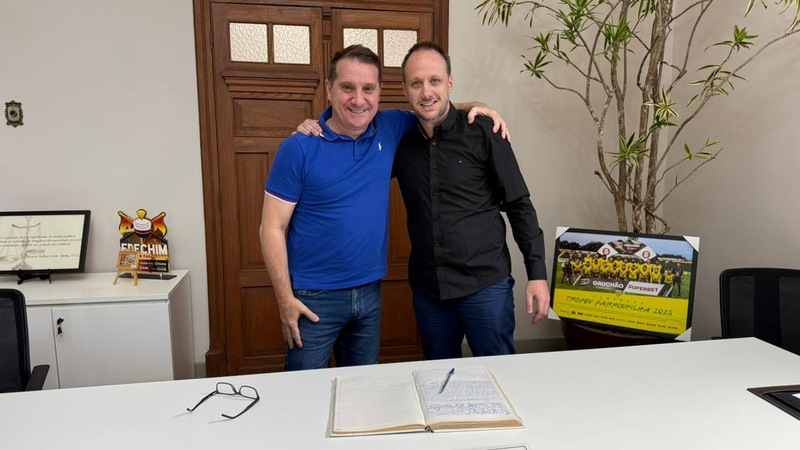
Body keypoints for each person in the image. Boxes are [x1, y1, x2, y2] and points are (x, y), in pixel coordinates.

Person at [261, 44, 507, 371]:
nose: (358, 99)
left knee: (362, 390)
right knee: (304, 392)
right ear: (330, 89)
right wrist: (284, 301)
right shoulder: (299, 148)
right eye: (347, 87)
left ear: (380, 92)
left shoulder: (391, 127)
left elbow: (433, 107)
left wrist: (478, 107)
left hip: (369, 295)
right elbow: (272, 227)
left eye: (368, 88)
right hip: (313, 299)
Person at [392, 42, 549, 359]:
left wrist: (537, 274)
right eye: (416, 83)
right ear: (405, 89)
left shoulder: (484, 131)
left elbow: (519, 205)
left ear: (449, 84)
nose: (426, 91)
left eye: (435, 81)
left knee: (498, 376)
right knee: (439, 378)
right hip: (430, 292)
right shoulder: (399, 141)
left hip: (485, 286)